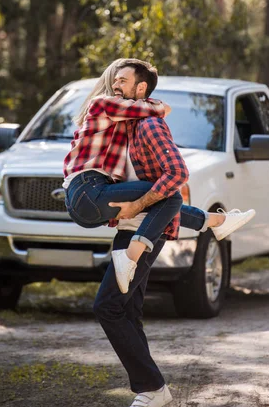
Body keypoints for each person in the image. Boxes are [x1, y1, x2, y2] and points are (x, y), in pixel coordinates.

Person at [63, 59, 255, 295]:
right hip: (88, 189)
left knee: (159, 197)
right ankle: (131, 256)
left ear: (140, 86)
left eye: (122, 81)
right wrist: (154, 106)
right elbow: (162, 109)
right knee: (169, 195)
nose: (115, 85)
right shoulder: (104, 104)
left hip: (88, 197)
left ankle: (217, 222)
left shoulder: (119, 123)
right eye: (115, 80)